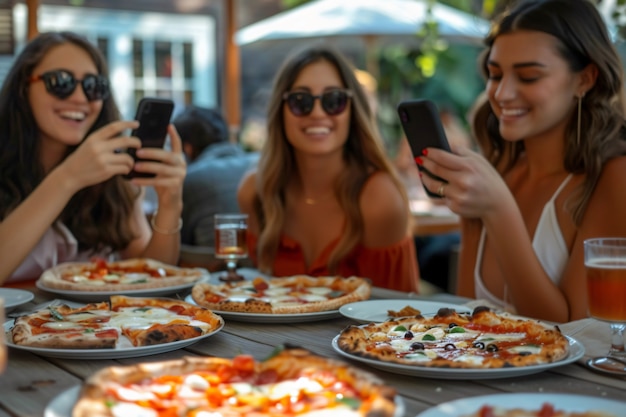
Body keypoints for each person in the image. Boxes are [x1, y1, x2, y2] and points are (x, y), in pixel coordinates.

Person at [417, 0, 626, 322]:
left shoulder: (612, 178)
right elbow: (465, 323)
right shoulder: (497, 172)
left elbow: (575, 335)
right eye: (495, 74)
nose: (501, 94)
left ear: (585, 80)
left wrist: (499, 210)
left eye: (528, 77)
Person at [0, 31, 186, 286]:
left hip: (95, 324)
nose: (79, 98)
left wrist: (170, 205)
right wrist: (68, 178)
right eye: (60, 82)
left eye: (93, 86)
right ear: (23, 88)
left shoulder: (113, 174)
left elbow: (151, 274)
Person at [237, 45, 420, 293]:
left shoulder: (379, 200)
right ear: (280, 112)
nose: (318, 113)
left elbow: (400, 316)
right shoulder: (255, 192)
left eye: (334, 100)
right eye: (300, 101)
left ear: (352, 111)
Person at [173, 105, 259, 247]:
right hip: (263, 262)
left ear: (187, 149)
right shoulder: (257, 166)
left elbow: (176, 239)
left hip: (206, 265)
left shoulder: (190, 179)